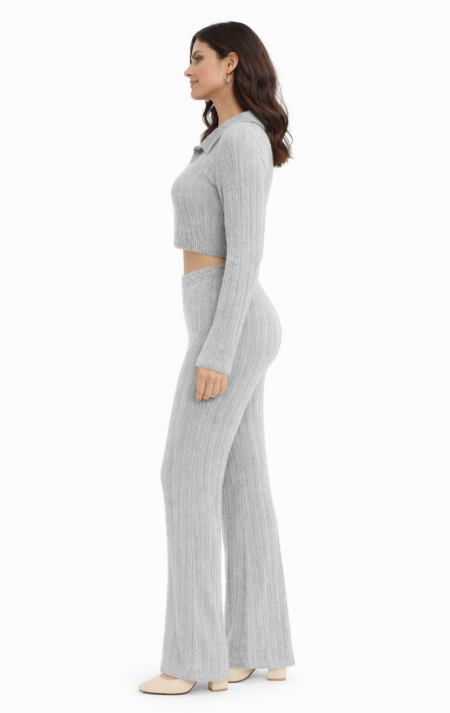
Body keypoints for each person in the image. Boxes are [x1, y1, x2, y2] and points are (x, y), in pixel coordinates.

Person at [139, 21, 295, 695]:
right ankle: (261, 644)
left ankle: (193, 660)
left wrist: (219, 350)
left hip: (231, 325)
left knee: (184, 475)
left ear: (231, 63)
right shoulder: (221, 139)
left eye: (198, 58)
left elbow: (247, 253)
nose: (188, 69)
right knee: (240, 483)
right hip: (220, 320)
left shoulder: (244, 141)